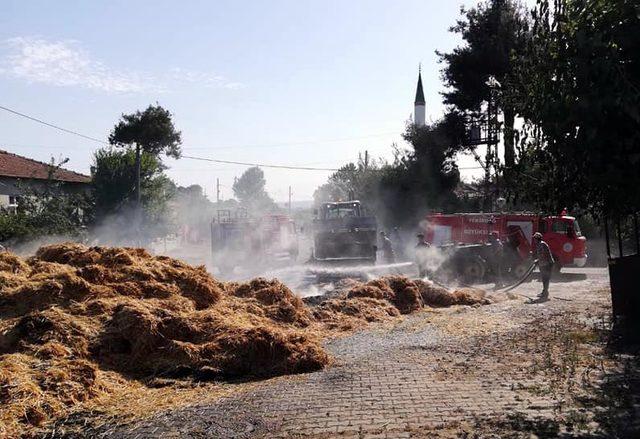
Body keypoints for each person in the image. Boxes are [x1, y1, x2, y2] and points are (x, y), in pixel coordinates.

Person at [533, 232, 554, 301]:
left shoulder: (541, 244)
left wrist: (537, 260)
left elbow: (543, 255)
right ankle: (544, 292)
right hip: (543, 264)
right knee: (544, 279)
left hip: (547, 264)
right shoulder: (540, 244)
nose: (534, 240)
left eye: (535, 239)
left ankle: (545, 293)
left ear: (537, 239)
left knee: (545, 279)